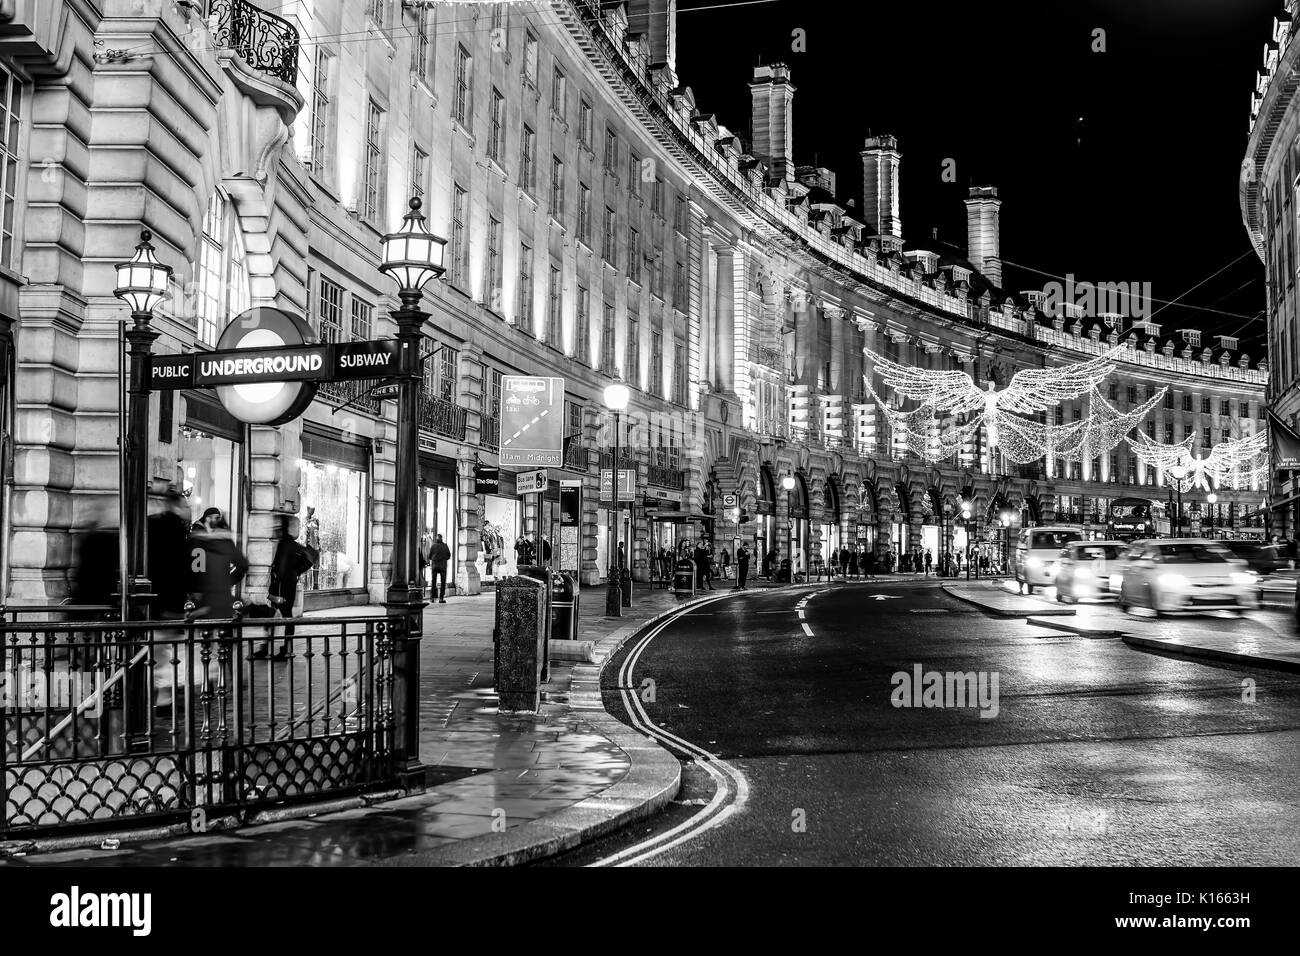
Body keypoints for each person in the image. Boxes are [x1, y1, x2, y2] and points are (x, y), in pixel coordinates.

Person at [252, 515, 318, 660]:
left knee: (279, 616)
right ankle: (281, 648)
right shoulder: (294, 545)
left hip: (282, 586)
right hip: (290, 584)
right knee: (283, 616)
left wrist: (274, 590)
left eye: (275, 527)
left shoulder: (284, 544)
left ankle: (278, 649)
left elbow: (280, 568)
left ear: (280, 528)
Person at [189, 516, 248, 619]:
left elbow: (193, 570)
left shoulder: (200, 543)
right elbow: (243, 565)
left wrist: (196, 587)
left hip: (203, 600)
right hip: (223, 599)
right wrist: (229, 579)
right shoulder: (226, 544)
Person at [429, 533, 452, 603]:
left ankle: (432, 597)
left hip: (435, 565)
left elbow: (430, 556)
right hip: (442, 566)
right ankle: (441, 598)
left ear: (436, 539)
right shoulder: (445, 546)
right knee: (443, 582)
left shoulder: (433, 546)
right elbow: (449, 555)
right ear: (442, 539)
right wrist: (443, 559)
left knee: (433, 581)